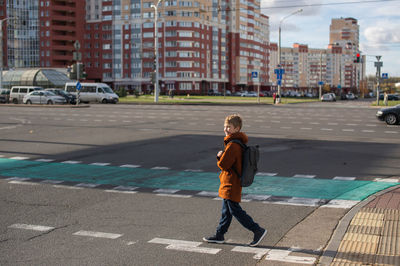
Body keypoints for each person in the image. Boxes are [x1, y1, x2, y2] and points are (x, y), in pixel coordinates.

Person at [203, 114, 266, 247]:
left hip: (231, 183)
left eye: (229, 127)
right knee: (227, 211)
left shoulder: (233, 145)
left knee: (235, 210)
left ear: (237, 128)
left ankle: (257, 230)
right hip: (231, 182)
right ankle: (219, 234)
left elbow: (224, 165)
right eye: (225, 126)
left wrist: (219, 156)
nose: (226, 129)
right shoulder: (238, 143)